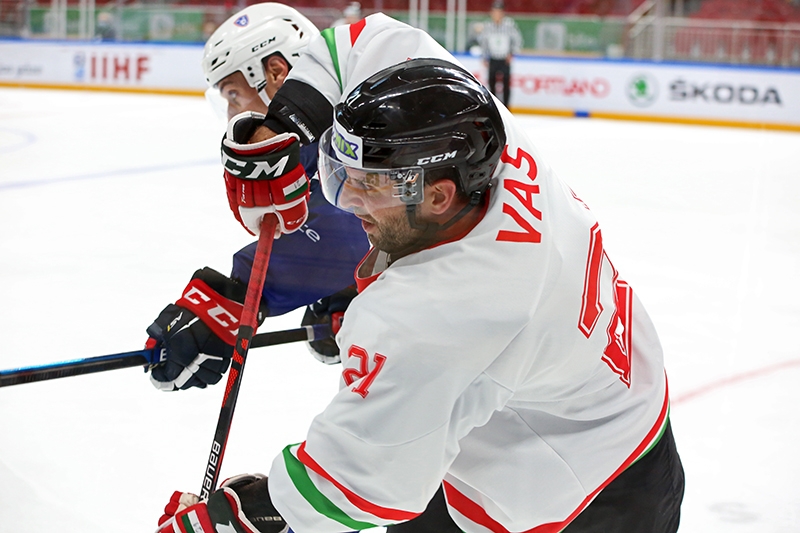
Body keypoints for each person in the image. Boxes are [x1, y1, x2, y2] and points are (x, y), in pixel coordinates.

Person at [156, 13, 684, 533]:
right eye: (344, 176)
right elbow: (361, 44)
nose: (349, 200)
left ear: (437, 195)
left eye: (368, 185)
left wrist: (236, 518)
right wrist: (283, 125)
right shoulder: (473, 134)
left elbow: (351, 486)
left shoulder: (442, 313)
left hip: (579, 497)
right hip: (595, 404)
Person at [144, 2, 370, 393]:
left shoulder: (354, 121)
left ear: (276, 73)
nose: (233, 112)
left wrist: (233, 299)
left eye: (233, 94)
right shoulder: (319, 132)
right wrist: (350, 287)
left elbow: (349, 235)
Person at [478, 0, 522, 107]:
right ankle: (495, 107)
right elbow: (484, 42)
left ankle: (506, 107)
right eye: (495, 11)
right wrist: (484, 57)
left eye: (499, 11)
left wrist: (511, 53)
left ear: (503, 13)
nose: (497, 14)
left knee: (506, 84)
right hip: (493, 58)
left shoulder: (509, 24)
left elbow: (517, 39)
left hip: (504, 59)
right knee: (492, 83)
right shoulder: (488, 26)